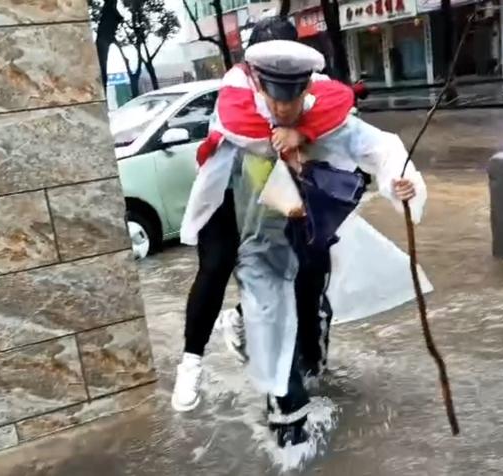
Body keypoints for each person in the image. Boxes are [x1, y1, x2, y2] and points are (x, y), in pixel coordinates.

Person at [178, 39, 426, 448]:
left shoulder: (330, 119)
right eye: (273, 99)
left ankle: (312, 379)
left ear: (306, 90)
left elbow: (381, 148)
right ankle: (288, 430)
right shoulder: (237, 119)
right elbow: (219, 166)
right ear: (259, 87)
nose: (280, 109)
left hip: (308, 234)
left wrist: (399, 181)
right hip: (260, 242)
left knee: (310, 311)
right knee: (271, 319)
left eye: (290, 101)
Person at [171, 16, 359, 418]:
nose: (281, 81)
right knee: (217, 265)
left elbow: (342, 100)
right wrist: (293, 132)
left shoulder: (308, 86)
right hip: (225, 194)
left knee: (306, 272)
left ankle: (306, 364)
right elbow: (247, 126)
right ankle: (191, 361)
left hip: (276, 198)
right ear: (253, 66)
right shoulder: (237, 86)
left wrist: (303, 132)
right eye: (271, 71)